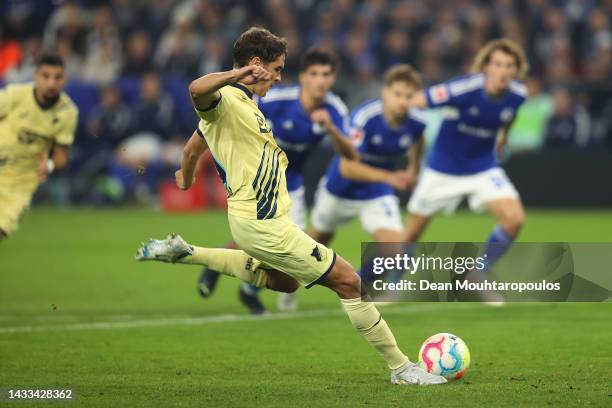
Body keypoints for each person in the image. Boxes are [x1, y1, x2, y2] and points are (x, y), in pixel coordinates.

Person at [135, 26, 446, 386]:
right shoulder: (226, 99)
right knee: (349, 282)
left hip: (260, 221)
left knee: (285, 283)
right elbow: (195, 90)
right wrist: (238, 75)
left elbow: (194, 145)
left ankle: (187, 253)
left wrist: (186, 174)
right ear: (255, 65)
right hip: (263, 222)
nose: (281, 77)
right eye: (277, 68)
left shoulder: (245, 107)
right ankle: (402, 368)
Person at [198, 47, 358, 314]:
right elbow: (230, 114)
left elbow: (351, 153)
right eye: (315, 73)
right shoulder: (277, 99)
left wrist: (330, 128)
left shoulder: (334, 109)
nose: (321, 80)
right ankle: (239, 281)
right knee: (269, 240)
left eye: (327, 74)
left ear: (333, 79)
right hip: (258, 179)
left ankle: (230, 272)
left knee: (284, 244)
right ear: (304, 77)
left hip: (290, 184)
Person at [404, 39, 529, 303]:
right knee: (410, 234)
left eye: (509, 65)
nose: (503, 71)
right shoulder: (462, 89)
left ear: (517, 70)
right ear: (485, 67)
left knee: (514, 219)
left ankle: (478, 273)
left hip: (482, 169)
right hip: (442, 170)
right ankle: (391, 285)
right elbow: (416, 101)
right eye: (497, 64)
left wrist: (503, 137)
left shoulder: (518, 95)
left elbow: (509, 115)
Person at [309, 64, 426, 258]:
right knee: (313, 248)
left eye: (409, 96)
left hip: (377, 192)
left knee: (396, 251)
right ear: (385, 93)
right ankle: (268, 288)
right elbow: (347, 167)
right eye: (398, 94)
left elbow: (419, 138)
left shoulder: (417, 120)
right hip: (341, 188)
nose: (403, 102)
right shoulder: (365, 117)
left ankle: (358, 283)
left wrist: (414, 168)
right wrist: (389, 177)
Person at [0, 51, 78, 240]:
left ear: (64, 79)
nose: (52, 83)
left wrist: (49, 165)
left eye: (57, 77)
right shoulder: (15, 95)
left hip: (20, 184)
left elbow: (61, 156)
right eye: (46, 76)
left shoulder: (68, 113)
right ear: (36, 76)